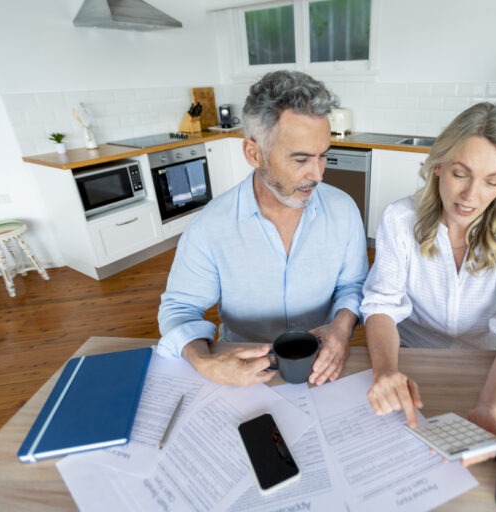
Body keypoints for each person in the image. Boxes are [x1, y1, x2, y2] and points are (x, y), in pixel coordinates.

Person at [361, 102, 496, 465]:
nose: (470, 196)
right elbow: (381, 305)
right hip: (413, 361)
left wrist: (489, 408)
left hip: (491, 365)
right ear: (438, 167)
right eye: (460, 174)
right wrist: (386, 370)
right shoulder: (400, 219)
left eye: (491, 181)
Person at [157, 70, 368, 387]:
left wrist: (341, 326)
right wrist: (205, 362)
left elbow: (353, 285)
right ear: (254, 153)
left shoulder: (344, 210)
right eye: (301, 160)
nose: (318, 175)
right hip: (241, 373)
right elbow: (180, 308)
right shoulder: (210, 226)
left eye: (323, 156)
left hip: (323, 368)